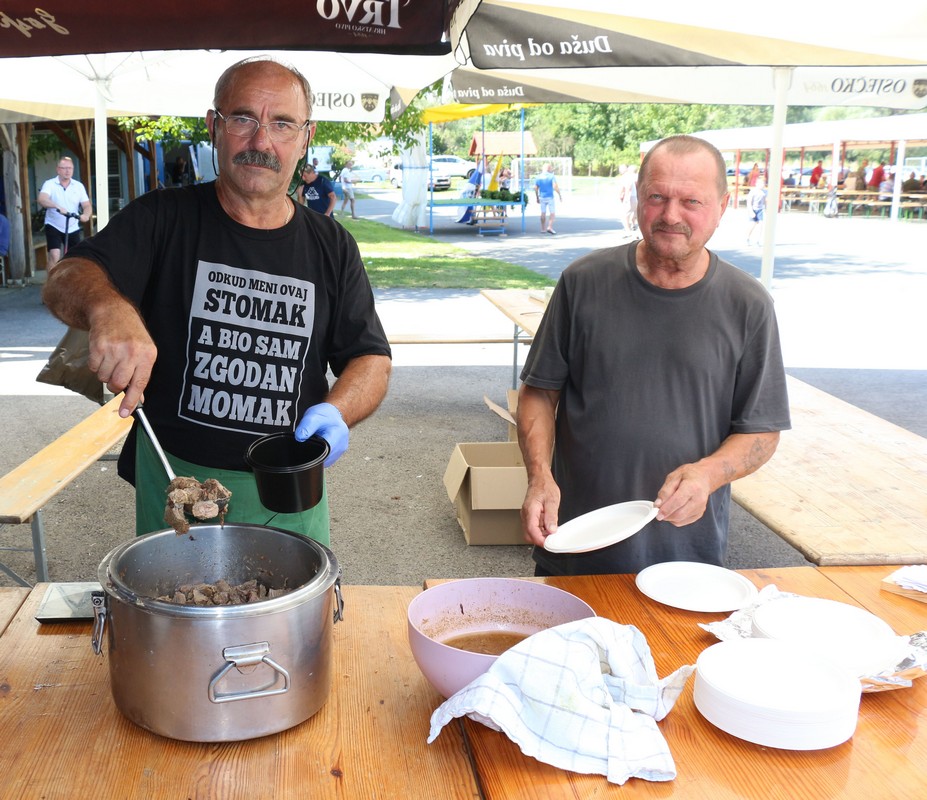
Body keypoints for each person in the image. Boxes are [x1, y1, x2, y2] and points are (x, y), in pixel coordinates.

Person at [41, 57, 392, 546]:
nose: (261, 142)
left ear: (305, 136)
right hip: (175, 477)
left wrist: (339, 410)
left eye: (282, 124)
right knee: (176, 614)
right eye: (243, 118)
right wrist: (107, 306)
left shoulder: (331, 244)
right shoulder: (163, 218)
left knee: (290, 620)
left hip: (287, 487)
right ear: (214, 126)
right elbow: (65, 277)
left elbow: (369, 356)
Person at [517, 134, 790, 577]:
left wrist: (709, 474)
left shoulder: (747, 304)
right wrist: (538, 477)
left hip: (688, 553)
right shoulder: (583, 282)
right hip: (577, 540)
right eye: (656, 197)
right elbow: (539, 394)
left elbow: (761, 432)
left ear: (722, 206)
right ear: (637, 198)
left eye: (691, 202)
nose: (670, 215)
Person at [37, 157, 92, 270]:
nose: (67, 171)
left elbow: (86, 205)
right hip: (53, 224)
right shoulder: (50, 184)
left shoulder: (78, 186)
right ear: (58, 169)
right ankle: (51, 284)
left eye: (70, 168)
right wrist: (56, 206)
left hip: (72, 226)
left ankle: (71, 283)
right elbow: (42, 199)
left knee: (74, 257)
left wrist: (86, 215)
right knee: (54, 255)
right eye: (64, 168)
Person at [534, 163, 562, 235]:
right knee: (552, 213)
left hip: (542, 197)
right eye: (551, 168)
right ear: (548, 168)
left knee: (543, 212)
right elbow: (555, 186)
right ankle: (549, 227)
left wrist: (537, 197)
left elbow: (536, 188)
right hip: (550, 197)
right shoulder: (551, 176)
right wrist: (559, 194)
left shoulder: (538, 177)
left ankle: (543, 228)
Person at [617, 165, 639, 239]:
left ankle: (628, 232)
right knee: (630, 216)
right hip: (634, 198)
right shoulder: (629, 176)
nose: (619, 170)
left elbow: (628, 187)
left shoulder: (625, 177)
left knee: (624, 216)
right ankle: (632, 230)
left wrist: (626, 198)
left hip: (630, 198)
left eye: (620, 169)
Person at [746, 176, 767, 245]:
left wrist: (766, 209)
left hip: (760, 210)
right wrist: (751, 211)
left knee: (761, 224)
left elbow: (765, 201)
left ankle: (758, 240)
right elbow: (749, 202)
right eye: (761, 183)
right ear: (757, 184)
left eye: (764, 183)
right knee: (753, 224)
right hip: (754, 209)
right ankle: (747, 238)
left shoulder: (764, 192)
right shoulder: (753, 191)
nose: (763, 185)